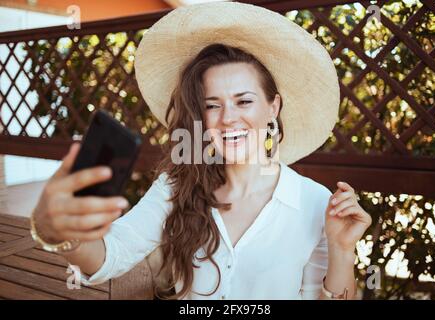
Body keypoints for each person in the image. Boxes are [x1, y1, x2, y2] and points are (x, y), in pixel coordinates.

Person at [30, 2, 372, 300]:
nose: (227, 118)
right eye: (212, 105)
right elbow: (110, 255)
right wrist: (61, 235)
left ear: (273, 107)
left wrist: (342, 251)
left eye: (244, 101)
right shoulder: (176, 185)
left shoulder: (313, 202)